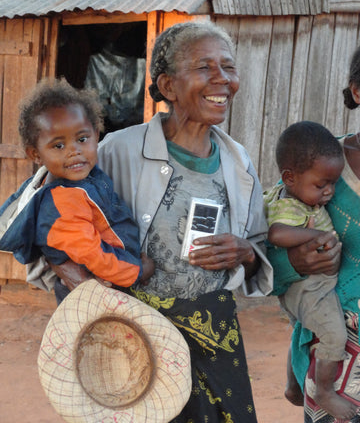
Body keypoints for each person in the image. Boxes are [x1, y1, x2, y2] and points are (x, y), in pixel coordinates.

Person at [28, 21, 273, 422]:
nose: (222, 79)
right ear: (169, 85)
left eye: (228, 67)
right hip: (133, 340)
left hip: (211, 339)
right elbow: (43, 218)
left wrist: (245, 253)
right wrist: (69, 273)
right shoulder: (116, 151)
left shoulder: (238, 162)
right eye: (205, 67)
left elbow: (260, 251)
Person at [267, 46, 360, 423]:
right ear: (357, 90)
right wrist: (291, 261)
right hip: (336, 352)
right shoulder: (317, 163)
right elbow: (266, 252)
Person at [0, 78, 154, 302]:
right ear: (35, 154)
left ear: (96, 135)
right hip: (94, 289)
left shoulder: (82, 178)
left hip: (110, 277)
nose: (75, 151)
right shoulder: (62, 203)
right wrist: (137, 272)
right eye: (58, 145)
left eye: (82, 139)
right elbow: (95, 256)